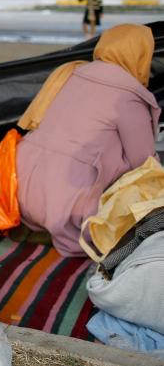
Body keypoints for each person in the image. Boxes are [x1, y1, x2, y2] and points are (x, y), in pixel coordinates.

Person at [15, 24, 159, 257]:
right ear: (142, 55)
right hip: (67, 207)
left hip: (21, 192)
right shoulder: (128, 95)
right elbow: (145, 165)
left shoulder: (73, 73)